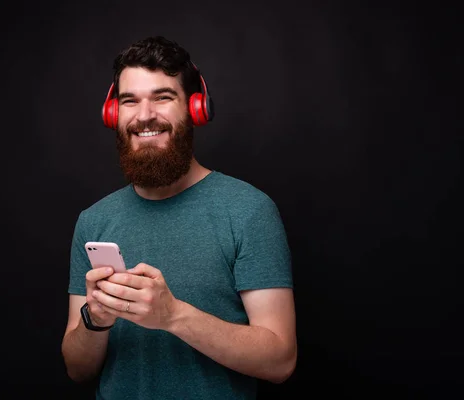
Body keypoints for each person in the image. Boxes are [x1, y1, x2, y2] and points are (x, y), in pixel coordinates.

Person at [61, 36, 297, 400]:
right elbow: (78, 370)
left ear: (195, 108)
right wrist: (96, 321)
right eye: (130, 101)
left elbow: (281, 360)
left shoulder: (249, 210)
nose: (144, 116)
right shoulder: (93, 222)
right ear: (114, 115)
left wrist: (172, 316)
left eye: (162, 97)